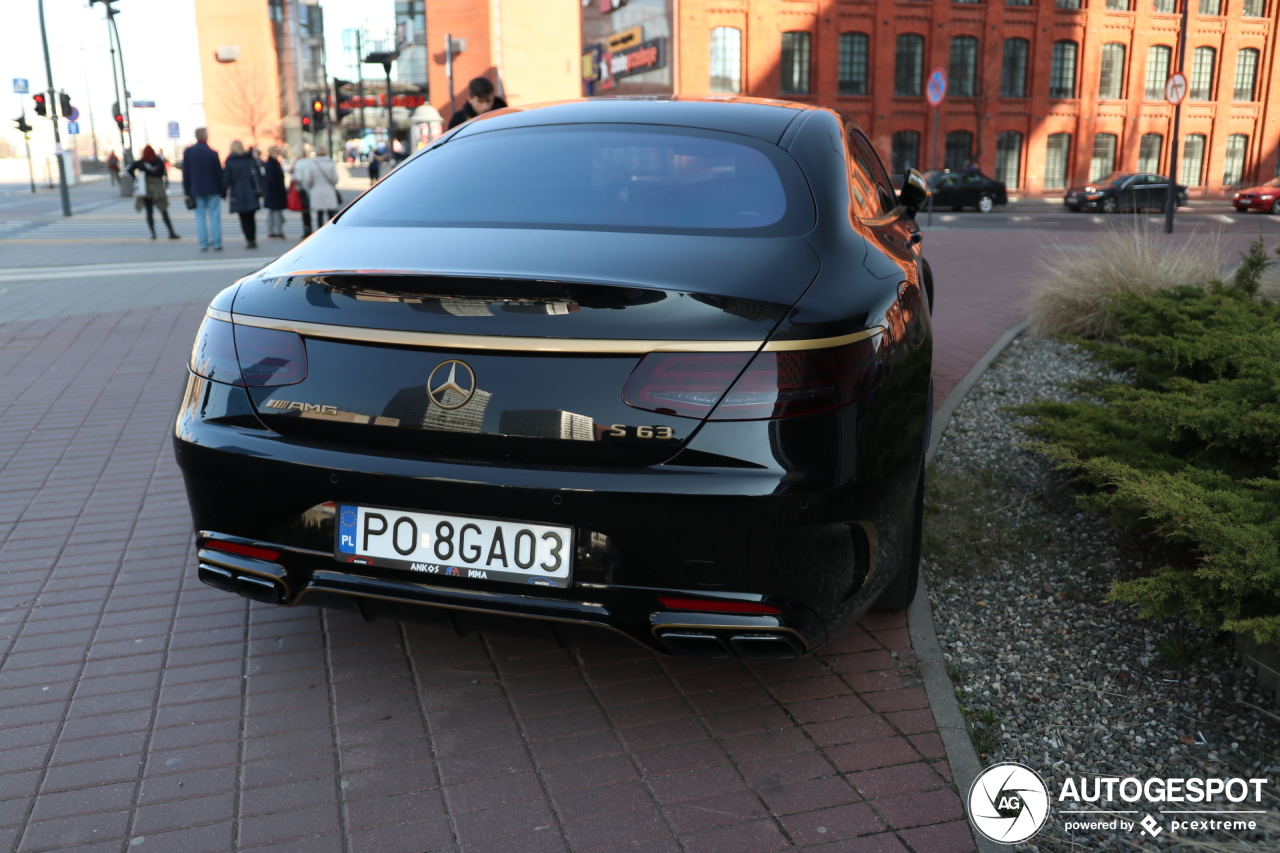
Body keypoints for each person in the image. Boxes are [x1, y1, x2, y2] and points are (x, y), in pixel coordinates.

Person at [182, 128, 226, 251]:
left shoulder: (189, 152)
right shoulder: (212, 153)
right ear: (206, 137)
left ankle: (203, 243)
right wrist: (223, 191)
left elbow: (186, 173)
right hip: (213, 188)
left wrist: (187, 191)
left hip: (196, 189)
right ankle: (217, 243)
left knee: (200, 216)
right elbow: (219, 174)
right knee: (215, 216)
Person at [127, 145, 180, 240]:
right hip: (158, 188)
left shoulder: (141, 162)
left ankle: (153, 233)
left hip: (146, 189)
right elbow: (164, 173)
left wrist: (136, 179)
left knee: (149, 211)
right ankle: (171, 232)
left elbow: (129, 169)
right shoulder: (159, 161)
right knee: (164, 210)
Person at [225, 140, 263, 249]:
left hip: (237, 192)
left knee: (243, 218)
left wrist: (223, 192)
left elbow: (226, 178)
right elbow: (258, 175)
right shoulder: (250, 159)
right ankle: (253, 238)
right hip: (251, 191)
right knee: (251, 217)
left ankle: (249, 239)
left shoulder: (230, 161)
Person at [303, 143, 341, 227]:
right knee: (331, 213)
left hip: (316, 190)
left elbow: (307, 180)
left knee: (319, 214)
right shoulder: (330, 163)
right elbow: (335, 179)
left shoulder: (311, 164)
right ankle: (331, 230)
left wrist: (311, 186)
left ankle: (320, 230)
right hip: (329, 190)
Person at [262, 146, 288, 239]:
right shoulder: (271, 164)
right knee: (276, 211)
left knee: (272, 211)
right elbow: (272, 179)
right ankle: (277, 231)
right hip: (275, 191)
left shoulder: (272, 163)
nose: (278, 154)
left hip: (272, 191)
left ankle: (272, 230)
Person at [291, 143, 315, 237]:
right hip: (311, 188)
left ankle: (307, 230)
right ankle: (311, 229)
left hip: (302, 190)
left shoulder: (298, 163)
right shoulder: (310, 162)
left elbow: (298, 178)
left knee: (305, 212)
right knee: (311, 211)